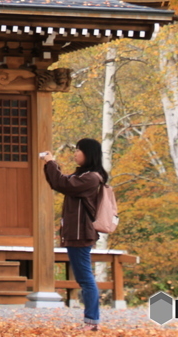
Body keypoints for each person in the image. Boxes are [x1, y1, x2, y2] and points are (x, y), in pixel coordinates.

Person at [40, 138, 107, 332]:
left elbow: (64, 184)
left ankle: (92, 321)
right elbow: (61, 182)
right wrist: (51, 165)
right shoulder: (85, 176)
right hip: (78, 233)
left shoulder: (91, 177)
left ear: (89, 153)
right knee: (84, 278)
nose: (75, 154)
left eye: (79, 150)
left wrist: (51, 162)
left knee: (85, 278)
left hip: (81, 234)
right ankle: (91, 320)